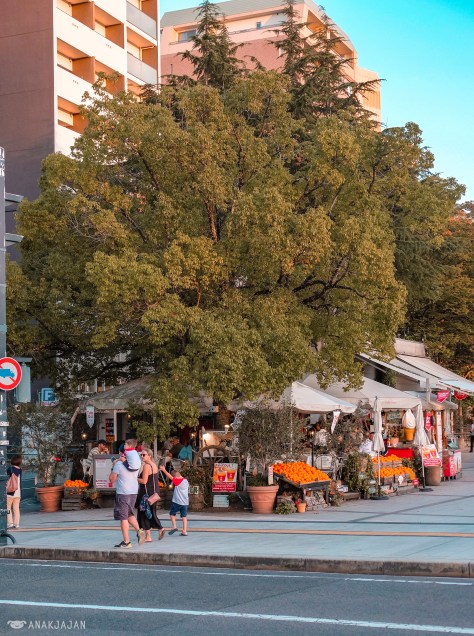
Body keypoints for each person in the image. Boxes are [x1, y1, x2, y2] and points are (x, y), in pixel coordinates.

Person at [109, 445, 144, 549]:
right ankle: (139, 531)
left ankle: (126, 542)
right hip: (133, 492)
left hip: (123, 493)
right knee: (129, 514)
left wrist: (113, 466)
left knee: (123, 517)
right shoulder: (134, 464)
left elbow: (112, 479)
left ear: (120, 453)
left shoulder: (119, 464)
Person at [136, 448, 165, 542]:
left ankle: (148, 536)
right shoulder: (154, 465)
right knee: (151, 512)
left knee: (144, 514)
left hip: (146, 493)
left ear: (149, 455)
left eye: (144, 455)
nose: (142, 456)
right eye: (141, 455)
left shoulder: (146, 466)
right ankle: (160, 528)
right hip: (154, 493)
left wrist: (135, 478)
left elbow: (144, 481)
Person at [159, 462, 189, 536]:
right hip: (185, 502)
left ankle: (174, 526)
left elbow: (170, 477)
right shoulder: (186, 481)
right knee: (184, 516)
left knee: (172, 514)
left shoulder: (177, 481)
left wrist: (163, 470)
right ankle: (184, 531)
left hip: (177, 501)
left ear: (175, 476)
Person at [6, 455, 22, 529]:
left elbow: (6, 478)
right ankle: (17, 524)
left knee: (8, 507)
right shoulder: (20, 470)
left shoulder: (10, 469)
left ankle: (10, 523)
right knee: (16, 508)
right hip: (18, 492)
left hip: (10, 491)